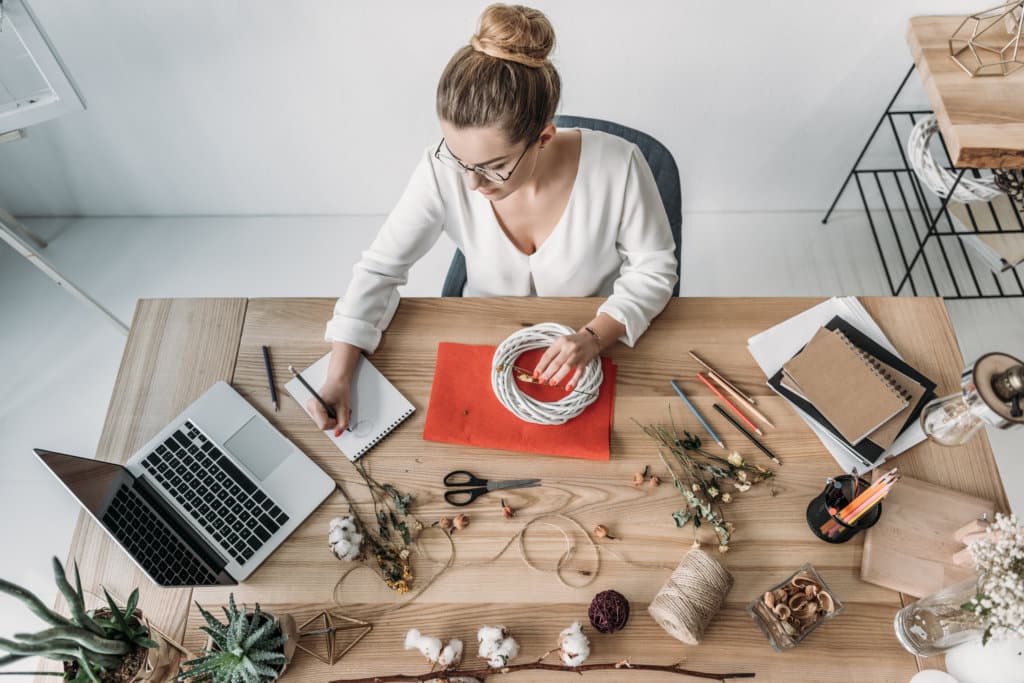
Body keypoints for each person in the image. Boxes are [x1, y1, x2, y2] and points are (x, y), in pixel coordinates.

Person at [310, 3, 678, 434]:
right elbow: (380, 269)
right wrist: (338, 375)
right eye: (458, 157)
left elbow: (654, 269)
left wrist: (595, 336)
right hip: (481, 340)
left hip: (593, 343)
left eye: (492, 166)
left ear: (543, 137)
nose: (470, 184)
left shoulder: (621, 166)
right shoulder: (439, 169)